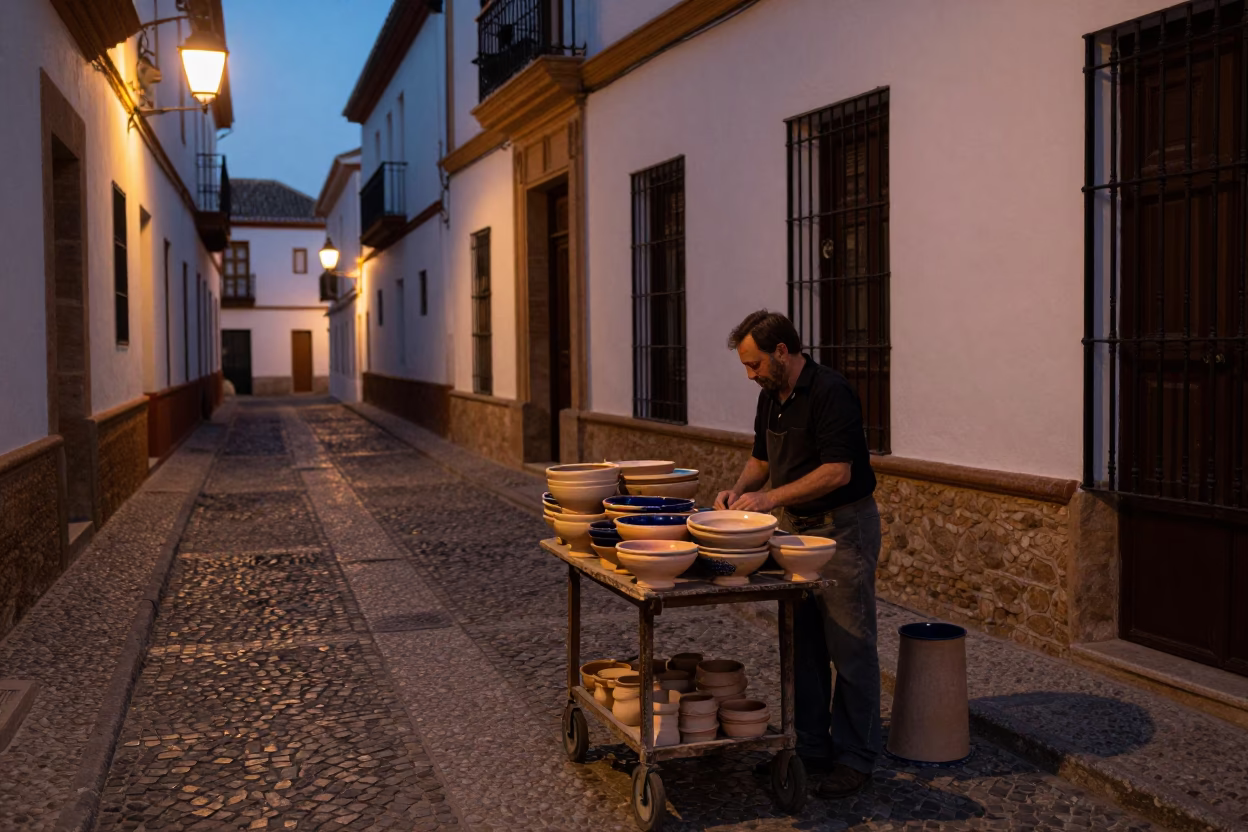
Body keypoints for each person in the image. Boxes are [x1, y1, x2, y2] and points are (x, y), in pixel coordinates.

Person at [715, 309, 882, 799]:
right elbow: (761, 461)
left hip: (841, 530)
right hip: (796, 534)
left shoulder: (831, 391)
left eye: (755, 364)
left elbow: (837, 472)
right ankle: (809, 747)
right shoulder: (773, 397)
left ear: (782, 352)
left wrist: (770, 499)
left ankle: (856, 758)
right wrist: (736, 491)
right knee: (803, 646)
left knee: (850, 646)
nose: (750, 375)